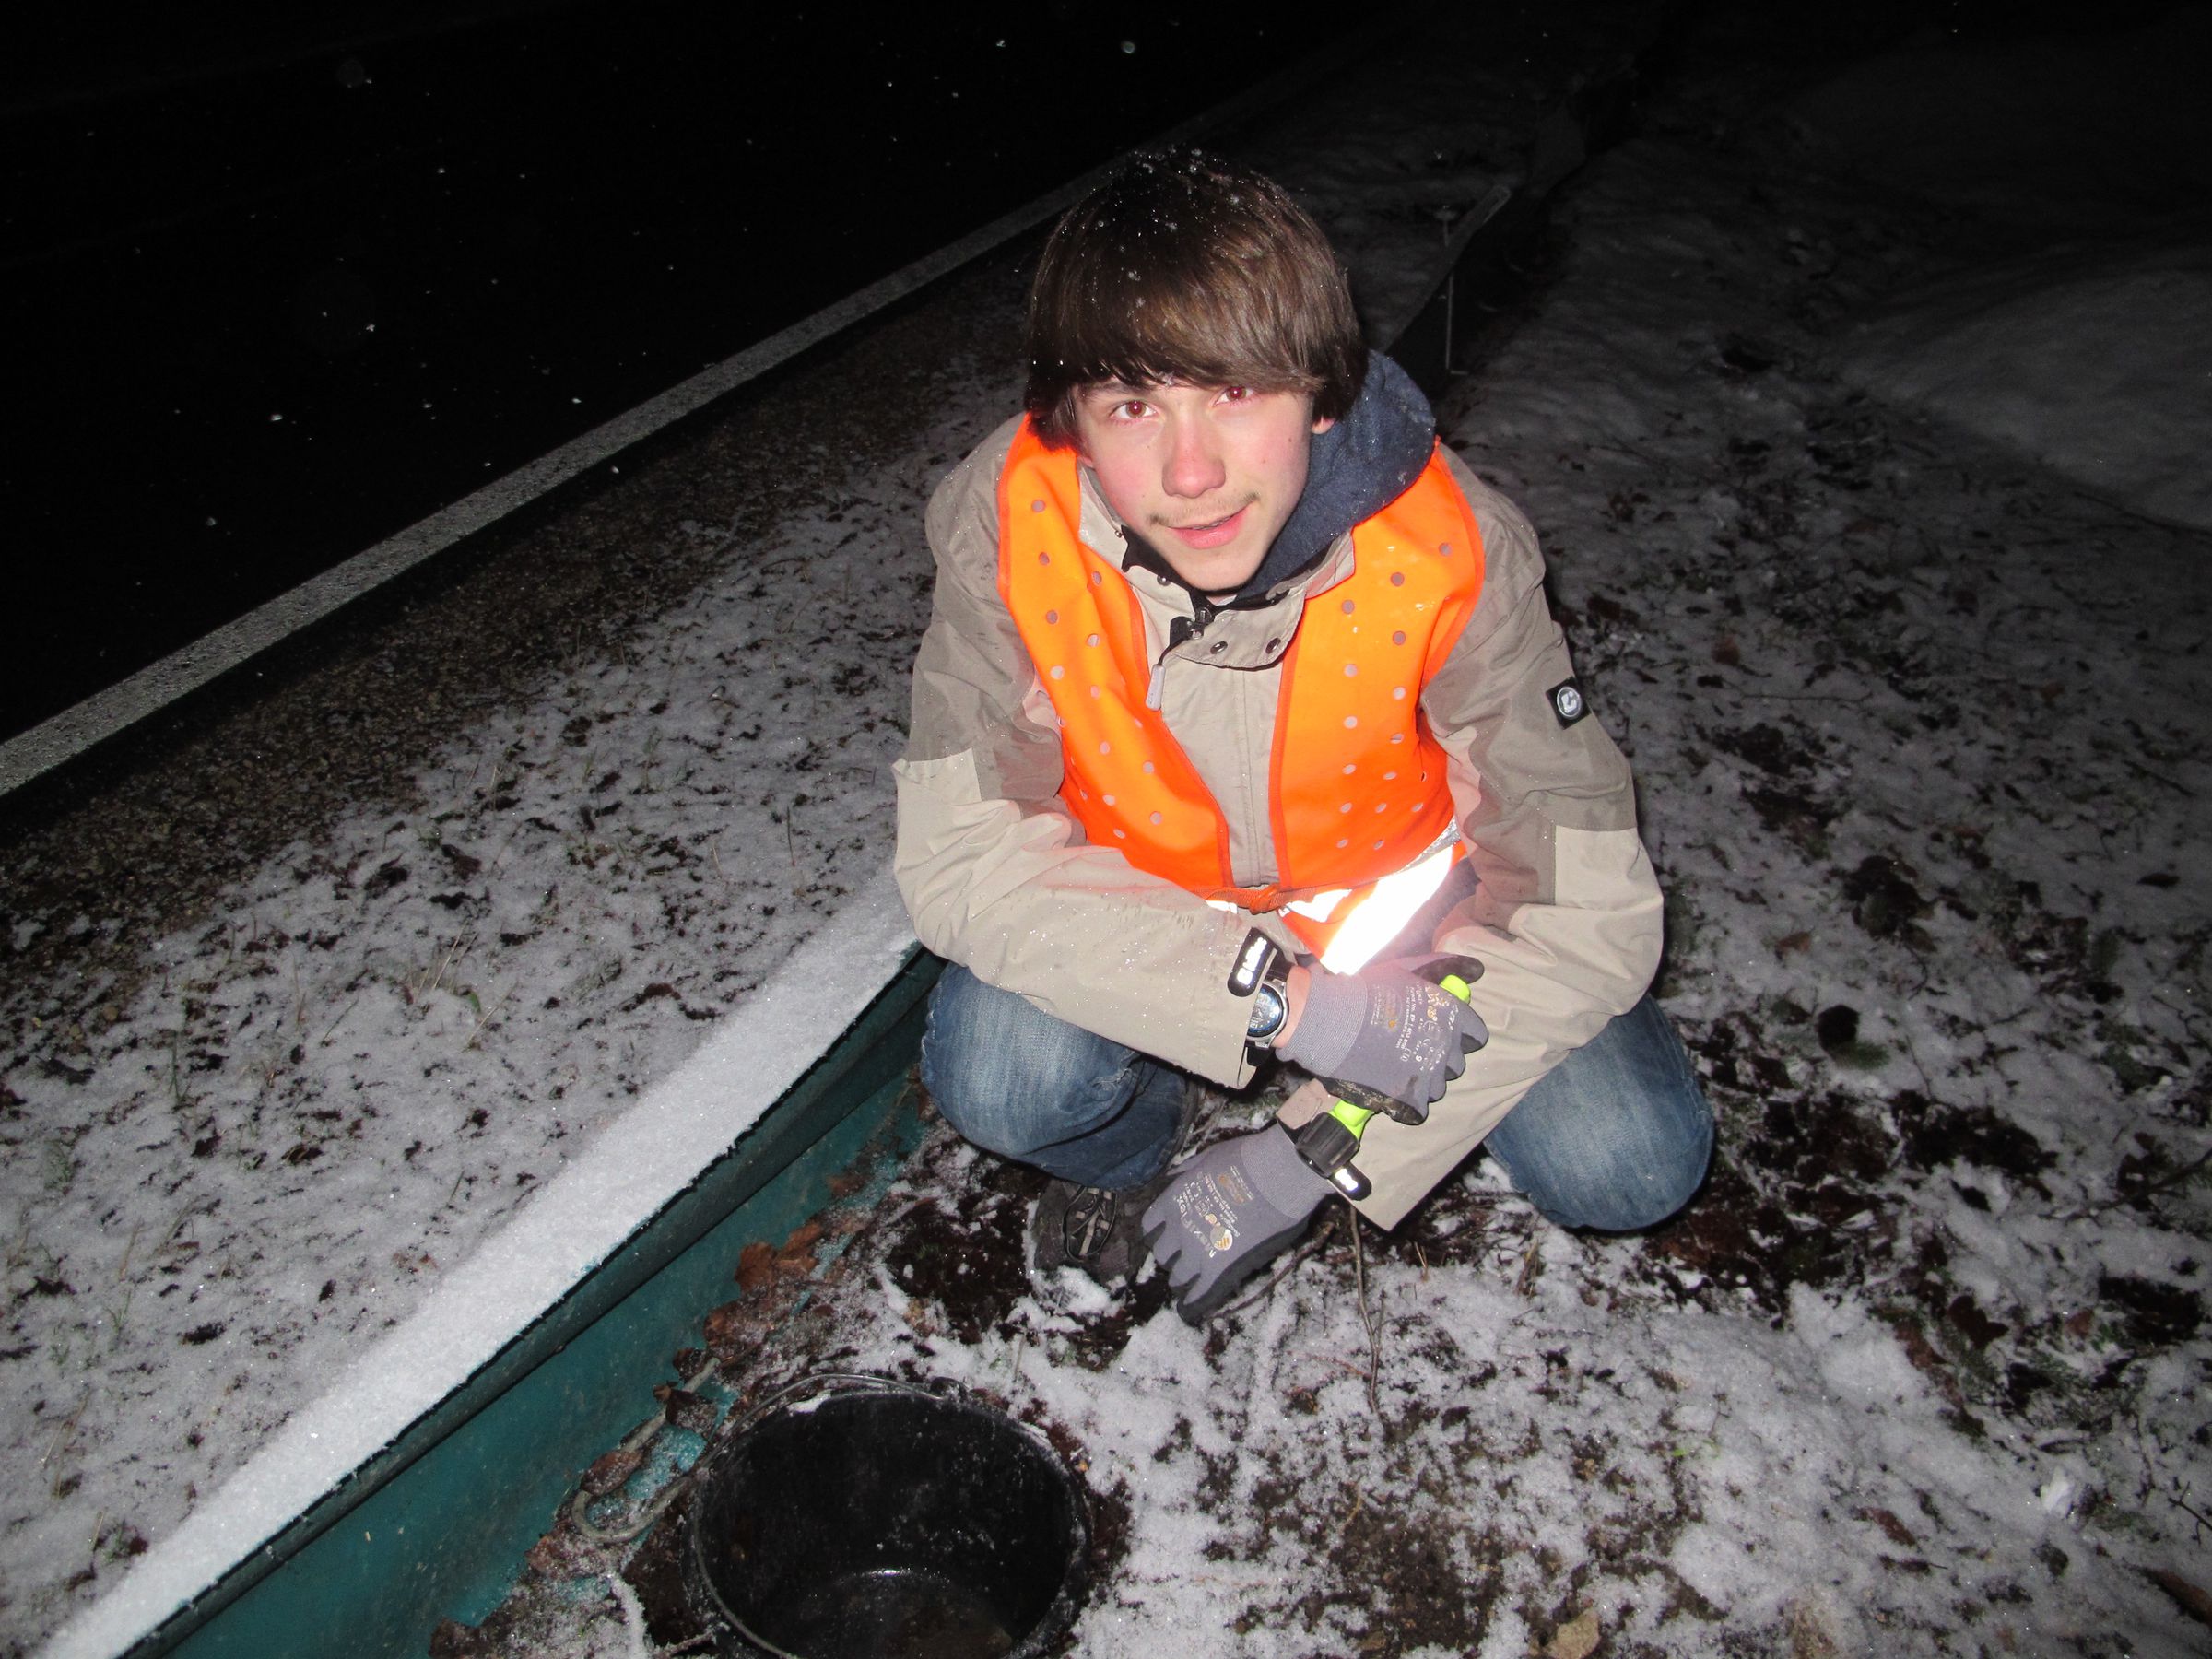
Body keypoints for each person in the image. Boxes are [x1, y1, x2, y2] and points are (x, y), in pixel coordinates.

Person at [894, 147, 1711, 1324]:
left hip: (1412, 935)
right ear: (1068, 416)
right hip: (1151, 910)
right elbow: (966, 849)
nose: (1189, 469)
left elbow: (1588, 904)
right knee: (1002, 1076)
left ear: (1321, 393)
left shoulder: (1453, 548)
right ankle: (1141, 1150)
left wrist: (1310, 1146)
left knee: (1629, 1160)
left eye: (1236, 392)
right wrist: (1288, 1008)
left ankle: (1316, 1092)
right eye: (1134, 402)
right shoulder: (1007, 522)